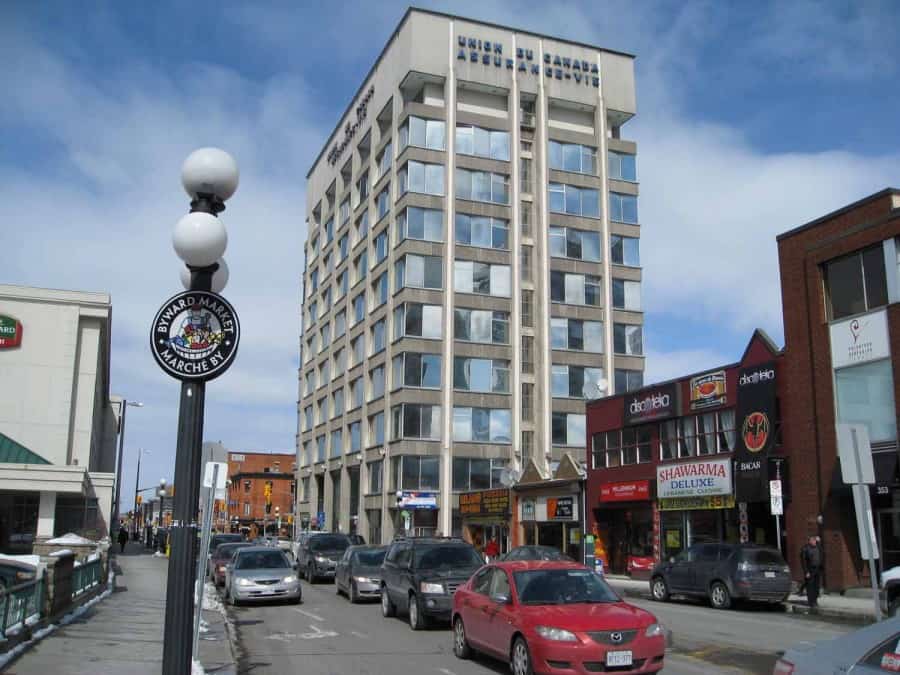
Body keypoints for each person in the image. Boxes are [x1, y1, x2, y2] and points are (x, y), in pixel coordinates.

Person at [800, 535, 823, 608]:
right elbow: (803, 562)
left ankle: (815, 601)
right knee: (810, 586)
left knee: (816, 586)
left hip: (817, 569)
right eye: (812, 540)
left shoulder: (818, 547)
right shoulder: (805, 549)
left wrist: (818, 540)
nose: (813, 542)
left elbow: (821, 548)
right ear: (809, 541)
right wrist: (806, 572)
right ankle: (811, 602)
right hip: (810, 570)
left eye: (814, 540)